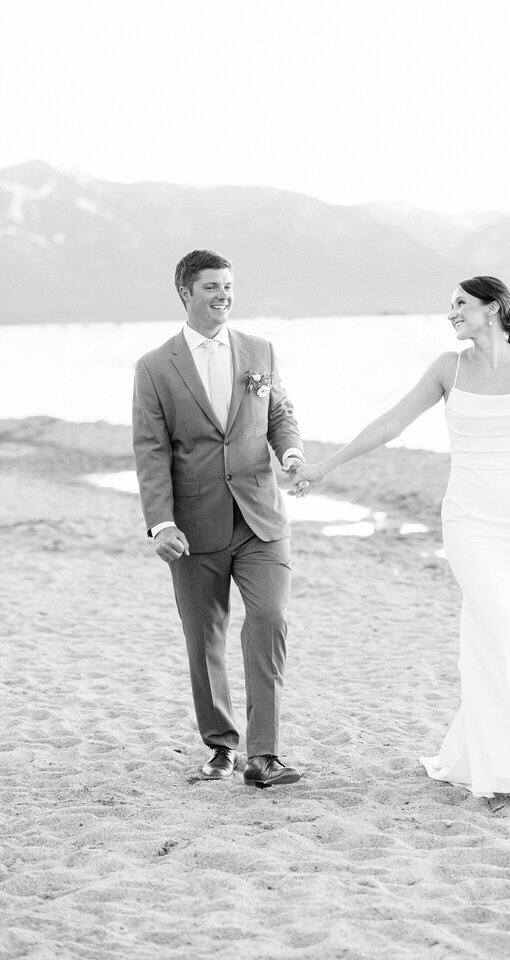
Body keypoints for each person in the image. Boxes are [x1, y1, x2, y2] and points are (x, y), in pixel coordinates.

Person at [291, 276, 510, 807]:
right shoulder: (448, 368)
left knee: (507, 636)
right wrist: (325, 466)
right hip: (468, 520)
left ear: (492, 310)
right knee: (502, 630)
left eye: (461, 304)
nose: (452, 313)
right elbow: (393, 422)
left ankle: (482, 755)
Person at [132, 250, 306, 788]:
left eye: (228, 285)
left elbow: (279, 413)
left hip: (260, 516)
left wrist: (292, 455)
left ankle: (265, 755)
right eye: (211, 287)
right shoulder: (155, 366)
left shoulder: (260, 350)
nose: (223, 295)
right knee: (204, 637)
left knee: (270, 621)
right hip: (194, 524)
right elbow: (150, 450)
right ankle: (221, 747)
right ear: (185, 293)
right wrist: (161, 524)